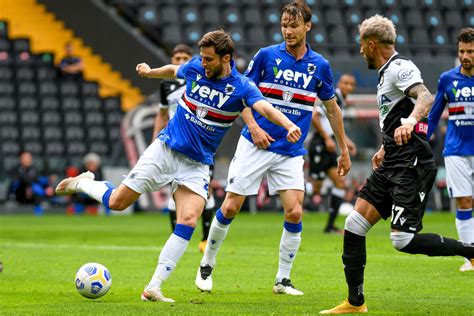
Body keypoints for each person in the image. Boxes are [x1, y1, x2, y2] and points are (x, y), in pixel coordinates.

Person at [55, 30, 302, 303]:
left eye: (209, 59)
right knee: (116, 202)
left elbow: (266, 108)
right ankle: (83, 182)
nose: (203, 63)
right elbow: (174, 69)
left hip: (196, 164)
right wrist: (150, 73)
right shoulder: (197, 67)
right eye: (203, 58)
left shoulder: (242, 87)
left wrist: (288, 124)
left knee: (188, 219)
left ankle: (153, 287)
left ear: (226, 58)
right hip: (165, 151)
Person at [195, 1, 351, 296]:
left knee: (294, 212)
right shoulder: (266, 56)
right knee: (230, 206)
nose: (288, 31)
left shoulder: (320, 66)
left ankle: (282, 280)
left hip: (290, 151)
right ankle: (207, 264)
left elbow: (332, 110)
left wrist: (343, 148)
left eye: (294, 25)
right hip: (256, 144)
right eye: (284, 25)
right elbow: (239, 93)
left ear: (308, 26)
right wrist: (253, 126)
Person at [320, 16, 474, 314]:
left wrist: (413, 121)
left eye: (361, 45)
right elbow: (397, 113)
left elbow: (425, 97)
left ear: (371, 44)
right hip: (392, 159)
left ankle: (470, 251)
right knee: (354, 225)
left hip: (412, 163)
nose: (360, 51)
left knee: (402, 240)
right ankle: (355, 302)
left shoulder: (400, 68)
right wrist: (383, 146)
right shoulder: (385, 73)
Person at [153, 43, 215, 252]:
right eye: (176, 58)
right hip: (173, 144)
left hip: (199, 144)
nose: (180, 62)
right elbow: (162, 115)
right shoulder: (165, 86)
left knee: (206, 192)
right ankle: (176, 239)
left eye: (184, 58)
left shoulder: (200, 81)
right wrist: (155, 140)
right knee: (174, 190)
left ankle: (206, 239)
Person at [427, 28, 474, 272]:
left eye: (471, 52)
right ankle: (471, 256)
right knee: (464, 201)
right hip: (455, 150)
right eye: (462, 51)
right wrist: (422, 138)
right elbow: (434, 115)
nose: (466, 56)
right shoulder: (447, 79)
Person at [309, 74, 357, 233]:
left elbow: (334, 125)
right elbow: (315, 116)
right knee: (316, 189)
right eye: (345, 83)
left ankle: (329, 226)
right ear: (339, 83)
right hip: (320, 144)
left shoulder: (341, 100)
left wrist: (346, 142)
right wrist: (326, 138)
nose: (348, 86)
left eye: (351, 84)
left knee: (340, 184)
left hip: (328, 144)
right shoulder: (333, 96)